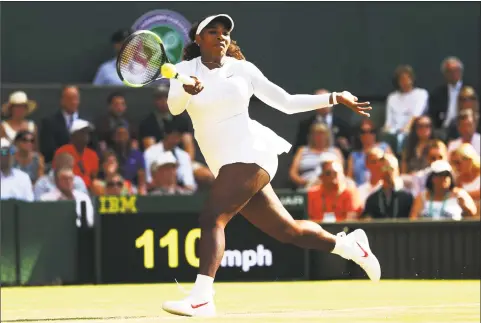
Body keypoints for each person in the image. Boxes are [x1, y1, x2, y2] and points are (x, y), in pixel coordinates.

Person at [161, 14, 380, 317]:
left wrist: (333, 97)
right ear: (198, 39)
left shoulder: (243, 70)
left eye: (225, 32)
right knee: (288, 231)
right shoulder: (183, 70)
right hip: (224, 163)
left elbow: (287, 102)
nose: (221, 36)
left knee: (213, 217)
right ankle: (350, 247)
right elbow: (174, 108)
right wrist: (185, 90)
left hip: (253, 152)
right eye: (213, 32)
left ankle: (202, 297)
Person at [409, 160, 476, 220]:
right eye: (440, 175)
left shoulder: (460, 194)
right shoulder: (422, 197)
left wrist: (465, 207)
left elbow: (473, 216)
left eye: (447, 174)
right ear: (432, 178)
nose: (444, 178)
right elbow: (413, 220)